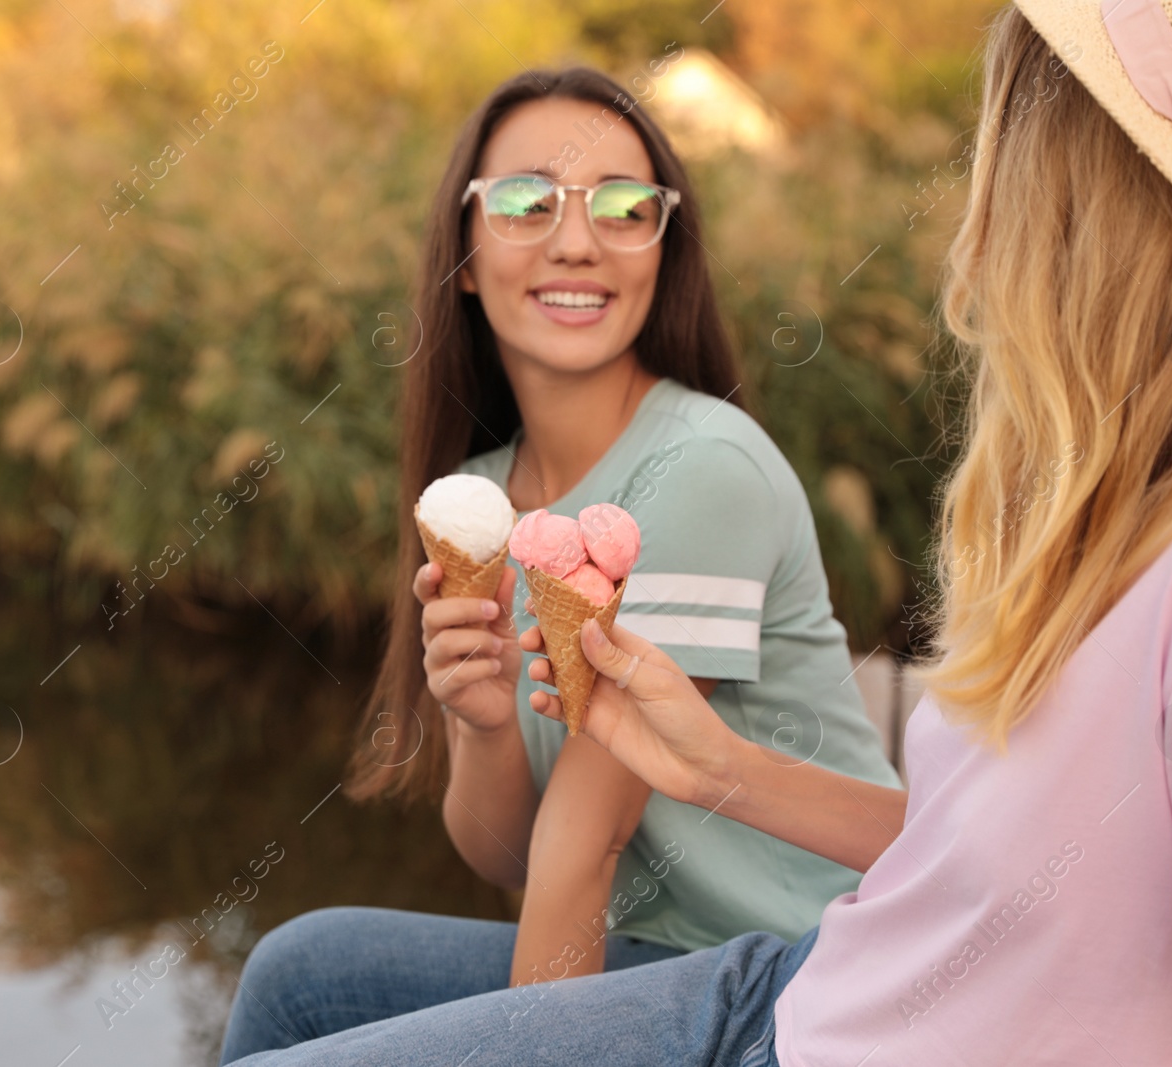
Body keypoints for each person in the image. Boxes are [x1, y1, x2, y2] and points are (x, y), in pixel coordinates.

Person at [221, 0, 1172, 1063]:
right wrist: (703, 762)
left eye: (1007, 144)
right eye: (527, 203)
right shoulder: (1117, 524)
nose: (974, 211)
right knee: (294, 975)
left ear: (1090, 207)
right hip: (811, 984)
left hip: (790, 1006)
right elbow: (970, 862)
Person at [217, 65, 898, 1063]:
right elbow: (511, 853)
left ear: (663, 251)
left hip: (810, 973)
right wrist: (483, 720)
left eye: (626, 207)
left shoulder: (703, 468)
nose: (576, 238)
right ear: (462, 252)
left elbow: (583, 847)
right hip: (662, 958)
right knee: (300, 970)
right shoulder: (480, 501)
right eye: (527, 201)